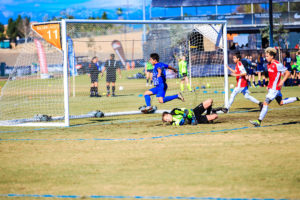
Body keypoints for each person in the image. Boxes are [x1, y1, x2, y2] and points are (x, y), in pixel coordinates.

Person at [250, 47, 300, 127]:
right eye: (265, 56)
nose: (265, 58)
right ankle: (297, 98)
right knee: (281, 102)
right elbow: (272, 77)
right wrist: (268, 85)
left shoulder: (278, 64)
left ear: (272, 56)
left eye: (267, 56)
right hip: (272, 88)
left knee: (265, 103)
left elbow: (288, 73)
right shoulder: (268, 64)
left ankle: (259, 121)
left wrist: (282, 82)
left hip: (275, 89)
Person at [162, 98, 226, 126]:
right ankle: (214, 111)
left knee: (210, 100)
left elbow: (184, 110)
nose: (168, 119)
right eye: (166, 120)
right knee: (215, 116)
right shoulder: (173, 123)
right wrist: (184, 117)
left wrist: (185, 112)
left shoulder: (174, 111)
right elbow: (181, 123)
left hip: (194, 111)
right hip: (196, 119)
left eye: (167, 117)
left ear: (168, 114)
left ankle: (210, 112)